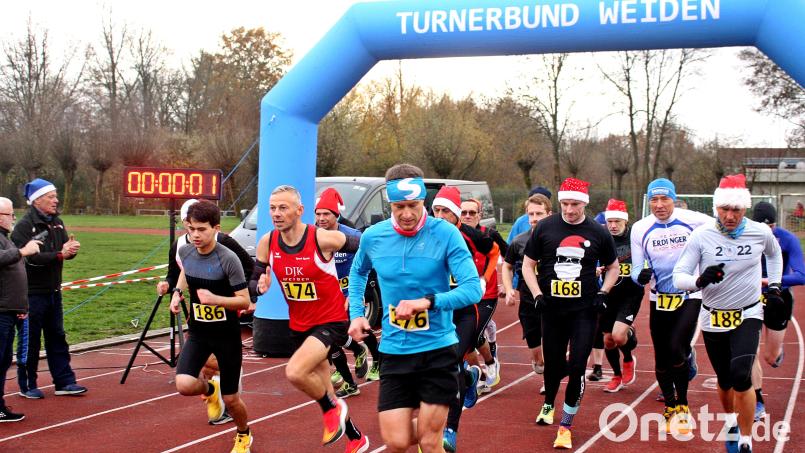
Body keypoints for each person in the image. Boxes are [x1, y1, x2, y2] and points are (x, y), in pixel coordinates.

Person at [347, 164, 482, 453]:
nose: (407, 214)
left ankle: (462, 379)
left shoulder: (446, 234)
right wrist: (356, 314)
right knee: (396, 441)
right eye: (399, 206)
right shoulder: (374, 236)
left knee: (431, 440)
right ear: (390, 203)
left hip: (437, 350)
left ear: (424, 202)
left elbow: (473, 288)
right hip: (395, 351)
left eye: (414, 205)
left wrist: (430, 301)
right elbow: (358, 273)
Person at [253, 185, 369, 453]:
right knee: (325, 390)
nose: (277, 214)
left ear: (299, 210)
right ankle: (356, 438)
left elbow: (366, 247)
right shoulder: (267, 243)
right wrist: (258, 288)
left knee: (295, 372)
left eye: (283, 207)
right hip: (299, 325)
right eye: (272, 208)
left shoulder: (323, 239)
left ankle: (332, 409)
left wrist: (357, 291)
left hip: (331, 321)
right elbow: (253, 282)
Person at [674, 174, 783, 453]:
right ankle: (732, 420)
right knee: (724, 379)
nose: (730, 215)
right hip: (713, 316)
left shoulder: (760, 232)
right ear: (716, 208)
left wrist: (774, 286)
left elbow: (774, 255)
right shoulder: (701, 236)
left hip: (748, 313)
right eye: (725, 209)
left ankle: (745, 440)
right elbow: (679, 277)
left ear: (744, 208)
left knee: (741, 375)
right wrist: (699, 281)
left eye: (736, 209)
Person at [522, 177, 619, 449]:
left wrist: (604, 292)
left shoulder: (599, 233)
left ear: (584, 204)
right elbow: (528, 266)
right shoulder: (544, 228)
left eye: (574, 204)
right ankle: (548, 403)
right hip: (552, 310)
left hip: (584, 311)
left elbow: (612, 267)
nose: (569, 209)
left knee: (577, 367)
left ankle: (565, 425)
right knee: (552, 367)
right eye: (564, 204)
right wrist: (537, 294)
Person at [157, 198, 255, 425]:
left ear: (216, 229)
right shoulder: (186, 252)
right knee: (184, 384)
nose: (195, 235)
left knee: (231, 399)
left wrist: (216, 300)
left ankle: (243, 434)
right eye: (191, 229)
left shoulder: (228, 258)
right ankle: (211, 389)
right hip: (199, 333)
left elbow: (244, 302)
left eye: (202, 229)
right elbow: (185, 272)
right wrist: (177, 293)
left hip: (226, 336)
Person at [629, 178, 710, 433]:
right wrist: (639, 276)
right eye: (654, 200)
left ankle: (683, 406)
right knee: (662, 357)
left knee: (676, 348)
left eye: (665, 199)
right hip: (659, 298)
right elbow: (635, 268)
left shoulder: (696, 221)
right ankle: (670, 406)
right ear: (648, 201)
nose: (660, 205)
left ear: (674, 199)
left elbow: (721, 233)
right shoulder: (641, 228)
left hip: (689, 295)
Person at [432, 186, 497, 452]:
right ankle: (470, 379)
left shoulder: (470, 235)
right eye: (435, 209)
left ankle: (451, 430)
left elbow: (494, 252)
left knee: (451, 360)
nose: (439, 215)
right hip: (437, 311)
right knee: (449, 368)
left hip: (465, 312)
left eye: (445, 210)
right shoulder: (425, 235)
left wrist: (483, 278)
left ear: (456, 215)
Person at [11, 178, 86, 398]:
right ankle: (27, 385)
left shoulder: (58, 222)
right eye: (51, 197)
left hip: (54, 291)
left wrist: (70, 251)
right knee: (30, 341)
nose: (56, 200)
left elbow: (61, 252)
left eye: (55, 196)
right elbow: (30, 259)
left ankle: (64, 381)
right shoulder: (24, 227)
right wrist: (60, 254)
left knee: (57, 337)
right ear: (37, 200)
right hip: (31, 294)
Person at [313, 188, 381, 399]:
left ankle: (377, 361)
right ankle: (351, 381)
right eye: (318, 214)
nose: (322, 218)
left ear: (337, 215)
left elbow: (369, 264)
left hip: (354, 290)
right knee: (330, 339)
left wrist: (354, 294)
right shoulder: (313, 236)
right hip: (327, 294)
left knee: (358, 327)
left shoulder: (352, 237)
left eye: (327, 214)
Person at [749, 202, 805, 421]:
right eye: (765, 227)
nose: (769, 231)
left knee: (770, 357)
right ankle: (757, 401)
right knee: (750, 352)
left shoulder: (787, 239)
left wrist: (771, 281)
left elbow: (801, 275)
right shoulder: (745, 237)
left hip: (778, 298)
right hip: (750, 298)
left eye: (772, 226)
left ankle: (777, 353)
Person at [501, 193, 552, 387]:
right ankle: (539, 361)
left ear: (549, 214)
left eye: (539, 213)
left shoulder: (557, 240)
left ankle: (550, 379)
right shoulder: (519, 241)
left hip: (552, 299)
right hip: (528, 301)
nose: (534, 218)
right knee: (534, 344)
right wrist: (508, 289)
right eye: (531, 214)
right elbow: (507, 265)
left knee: (551, 338)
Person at [0, 197, 41, 422]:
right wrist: (23, 251)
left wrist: (20, 306)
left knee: (4, 360)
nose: (13, 219)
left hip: (9, 309)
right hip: (1, 312)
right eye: (9, 215)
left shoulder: (4, 239)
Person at [459, 197, 505, 393]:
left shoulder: (490, 235)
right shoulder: (453, 234)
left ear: (480, 216)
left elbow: (509, 255)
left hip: (487, 294)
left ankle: (490, 361)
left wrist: (507, 284)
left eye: (472, 213)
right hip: (462, 294)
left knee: (473, 334)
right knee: (465, 338)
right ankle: (481, 374)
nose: (468, 216)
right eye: (464, 212)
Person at [599, 199, 643, 393]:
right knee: (608, 340)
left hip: (631, 293)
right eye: (610, 222)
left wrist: (646, 271)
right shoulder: (601, 237)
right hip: (608, 294)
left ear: (626, 221)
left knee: (618, 335)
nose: (613, 226)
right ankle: (616, 375)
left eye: (618, 221)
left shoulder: (636, 236)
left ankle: (627, 358)